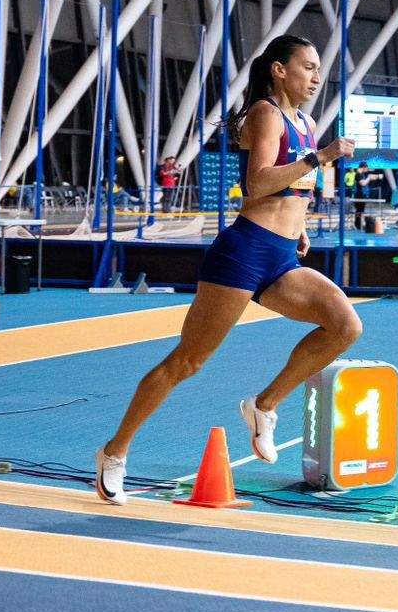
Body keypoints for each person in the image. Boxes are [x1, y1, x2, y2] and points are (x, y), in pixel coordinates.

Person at [94, 36, 358, 504]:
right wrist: (321, 157)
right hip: (243, 252)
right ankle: (114, 452)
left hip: (282, 256)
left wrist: (299, 225)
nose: (317, 78)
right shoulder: (265, 113)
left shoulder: (306, 121)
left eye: (319, 70)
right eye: (308, 67)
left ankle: (264, 406)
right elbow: (255, 185)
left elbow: (293, 185)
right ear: (279, 70)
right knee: (188, 361)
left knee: (344, 325)